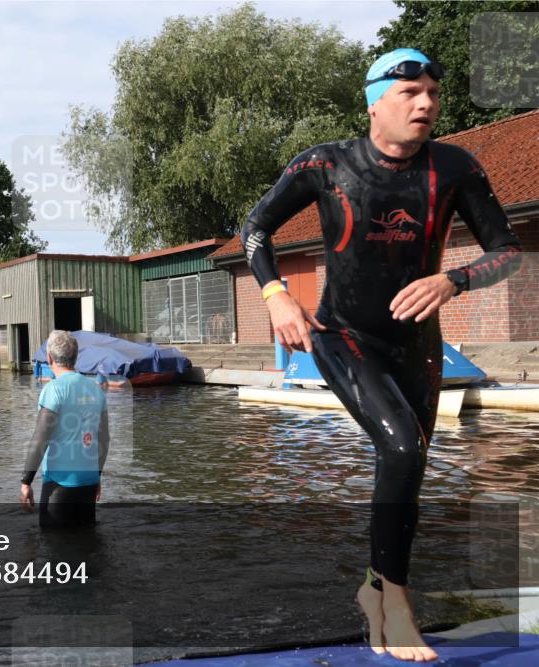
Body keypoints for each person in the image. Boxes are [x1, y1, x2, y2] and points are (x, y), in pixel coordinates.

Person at [242, 48, 522, 661]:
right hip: (344, 336)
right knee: (400, 446)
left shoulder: (455, 169)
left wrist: (456, 281)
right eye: (409, 94)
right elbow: (256, 228)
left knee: (409, 471)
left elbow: (507, 250)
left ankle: (375, 589)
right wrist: (276, 296)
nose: (425, 104)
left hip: (417, 345)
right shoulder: (325, 163)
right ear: (374, 103)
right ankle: (397, 605)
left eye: (432, 94)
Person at [20, 330, 109, 528]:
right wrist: (97, 475)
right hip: (89, 482)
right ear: (75, 358)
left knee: (55, 548)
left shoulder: (54, 389)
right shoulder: (96, 389)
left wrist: (26, 481)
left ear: (49, 358)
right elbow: (104, 440)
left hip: (60, 485)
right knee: (86, 544)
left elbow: (40, 438)